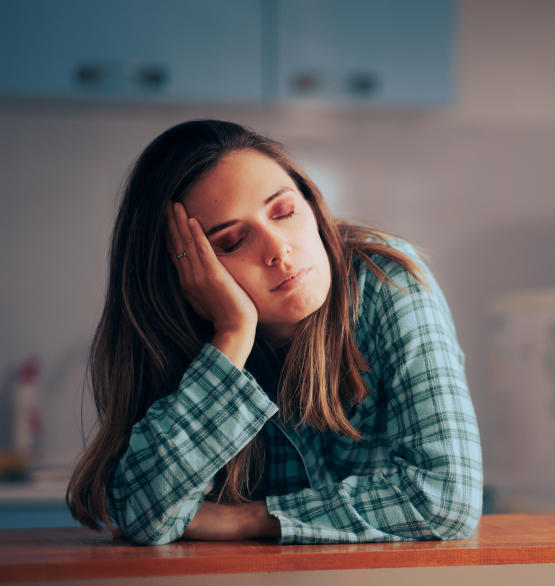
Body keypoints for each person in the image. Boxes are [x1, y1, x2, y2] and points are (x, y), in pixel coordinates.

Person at [66, 120, 483, 545]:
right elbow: (142, 513)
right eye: (231, 242)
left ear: (312, 205)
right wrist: (232, 335)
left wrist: (245, 520)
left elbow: (444, 501)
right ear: (182, 274)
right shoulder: (186, 336)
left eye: (283, 212)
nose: (278, 249)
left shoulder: (385, 278)